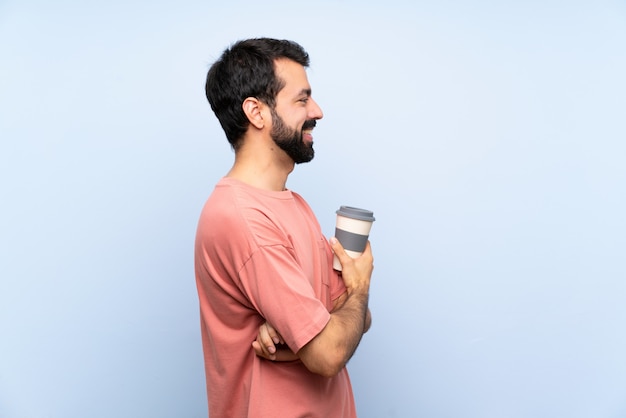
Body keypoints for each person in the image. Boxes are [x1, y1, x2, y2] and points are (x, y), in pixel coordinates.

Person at [195, 38, 374, 418]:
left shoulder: (295, 205)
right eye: (301, 100)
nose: (318, 111)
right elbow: (329, 352)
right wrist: (358, 289)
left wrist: (299, 332)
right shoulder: (241, 218)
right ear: (256, 113)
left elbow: (357, 322)